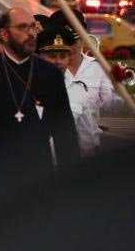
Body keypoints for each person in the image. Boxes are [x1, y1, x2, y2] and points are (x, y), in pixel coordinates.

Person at [0, 8, 80, 210]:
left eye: (32, 28)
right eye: (22, 27)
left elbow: (64, 131)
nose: (30, 33)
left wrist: (70, 176)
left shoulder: (49, 75)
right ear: (4, 34)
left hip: (36, 176)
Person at [49, 9, 121, 157]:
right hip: (55, 155)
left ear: (83, 39)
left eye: (76, 41)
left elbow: (111, 106)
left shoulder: (97, 67)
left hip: (90, 154)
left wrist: (121, 88)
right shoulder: (46, 70)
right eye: (67, 42)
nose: (72, 47)